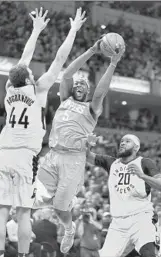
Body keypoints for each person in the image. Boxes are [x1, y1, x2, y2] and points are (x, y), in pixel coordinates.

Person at [0, 6, 87, 257]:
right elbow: (59, 59)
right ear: (30, 79)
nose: (33, 72)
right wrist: (73, 31)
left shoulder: (10, 87)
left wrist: (35, 31)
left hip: (4, 154)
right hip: (25, 157)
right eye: (32, 72)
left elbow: (23, 61)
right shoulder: (40, 89)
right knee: (24, 211)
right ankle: (23, 255)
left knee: (0, 209)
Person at [36, 36, 125, 254]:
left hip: (73, 159)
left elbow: (101, 92)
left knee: (59, 206)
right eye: (77, 84)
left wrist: (113, 63)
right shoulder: (65, 99)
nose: (79, 85)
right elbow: (66, 74)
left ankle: (68, 229)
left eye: (84, 85)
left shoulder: (91, 109)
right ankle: (63, 211)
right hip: (52, 154)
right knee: (37, 200)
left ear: (87, 91)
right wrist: (92, 50)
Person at [87, 133, 161, 257]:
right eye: (122, 141)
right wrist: (87, 145)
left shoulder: (145, 162)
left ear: (136, 148)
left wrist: (142, 176)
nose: (122, 143)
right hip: (118, 222)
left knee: (149, 253)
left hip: (141, 218)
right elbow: (86, 156)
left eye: (127, 141)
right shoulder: (111, 163)